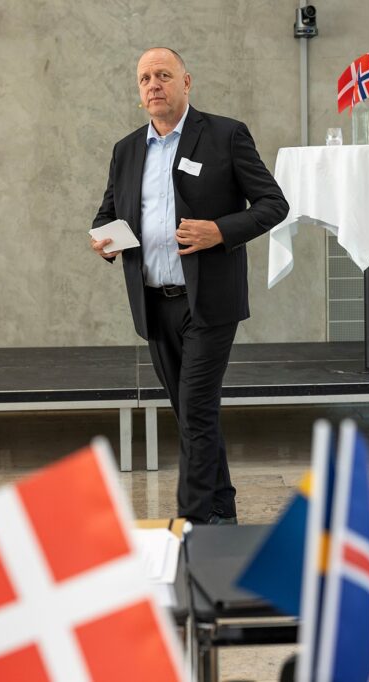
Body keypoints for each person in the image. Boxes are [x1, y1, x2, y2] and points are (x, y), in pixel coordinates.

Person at [90, 48, 288, 525]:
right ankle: (222, 511)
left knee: (196, 411)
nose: (153, 84)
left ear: (186, 82)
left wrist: (219, 231)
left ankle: (194, 524)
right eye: (144, 79)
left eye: (163, 75)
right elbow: (107, 215)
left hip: (208, 304)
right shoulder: (127, 149)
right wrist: (106, 241)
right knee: (190, 414)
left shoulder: (225, 135)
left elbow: (273, 204)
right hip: (154, 303)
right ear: (140, 94)